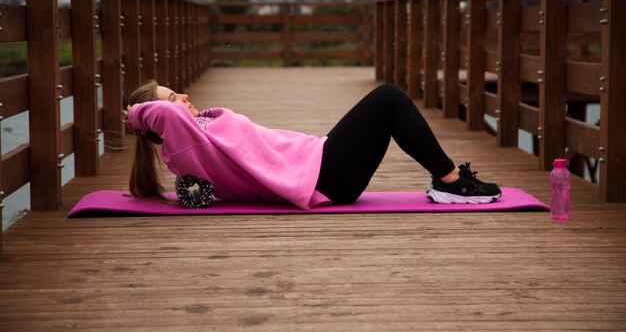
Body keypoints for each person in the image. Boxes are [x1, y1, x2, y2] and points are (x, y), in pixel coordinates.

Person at [123, 80, 501, 209]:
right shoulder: (184, 146)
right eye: (173, 96)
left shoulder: (198, 130)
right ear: (156, 117)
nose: (184, 96)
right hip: (322, 176)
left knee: (387, 102)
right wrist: (137, 113)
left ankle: (449, 181)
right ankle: (451, 182)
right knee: (389, 98)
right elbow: (166, 116)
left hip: (320, 160)